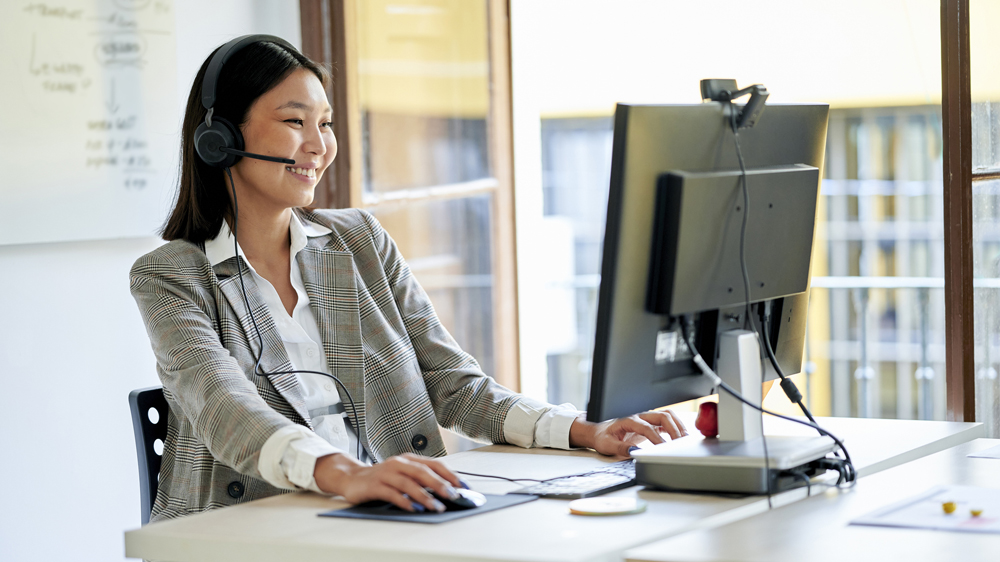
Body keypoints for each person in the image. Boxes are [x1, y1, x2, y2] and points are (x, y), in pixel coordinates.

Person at [130, 35, 686, 523]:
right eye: (295, 122)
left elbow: (453, 383)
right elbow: (222, 407)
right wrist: (344, 474)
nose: (319, 146)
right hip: (251, 528)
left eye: (325, 124)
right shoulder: (171, 277)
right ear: (220, 138)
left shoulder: (359, 243)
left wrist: (581, 429)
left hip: (383, 513)